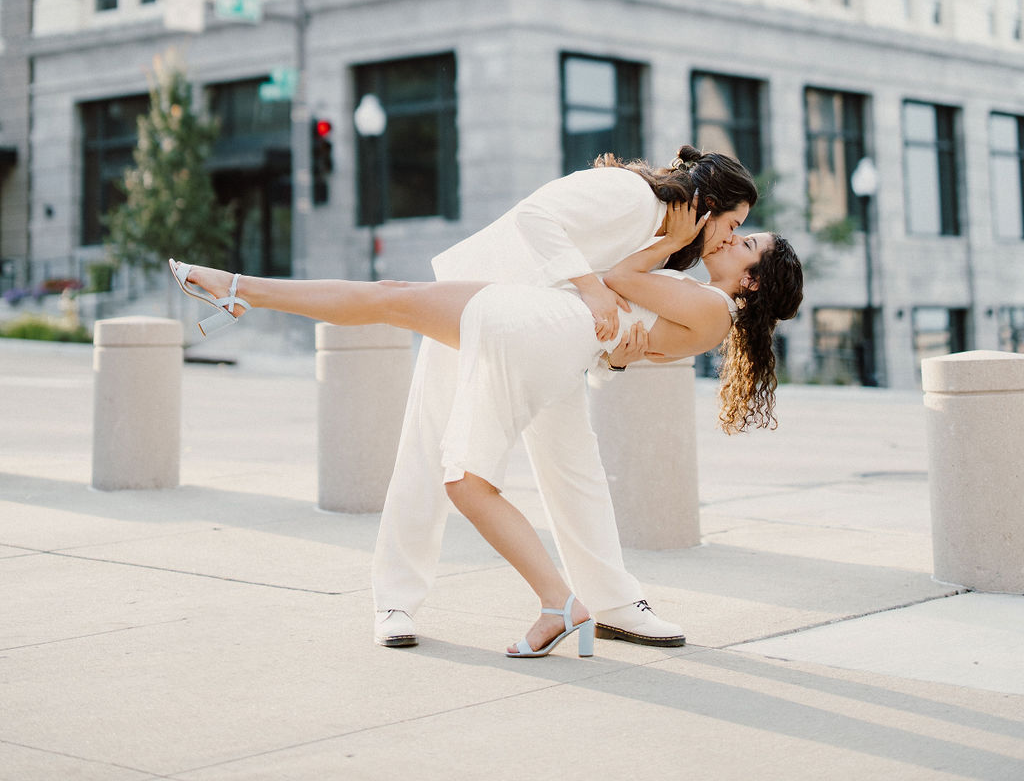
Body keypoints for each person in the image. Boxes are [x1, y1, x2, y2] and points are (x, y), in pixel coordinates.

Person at [170, 147, 803, 658]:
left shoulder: (680, 266)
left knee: (552, 470)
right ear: (706, 203)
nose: (728, 236)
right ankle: (402, 601)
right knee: (435, 446)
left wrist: (619, 320)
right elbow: (538, 220)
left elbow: (625, 309)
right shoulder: (632, 198)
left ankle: (600, 602)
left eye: (743, 237)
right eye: (736, 223)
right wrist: (607, 304)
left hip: (537, 325)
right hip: (514, 303)